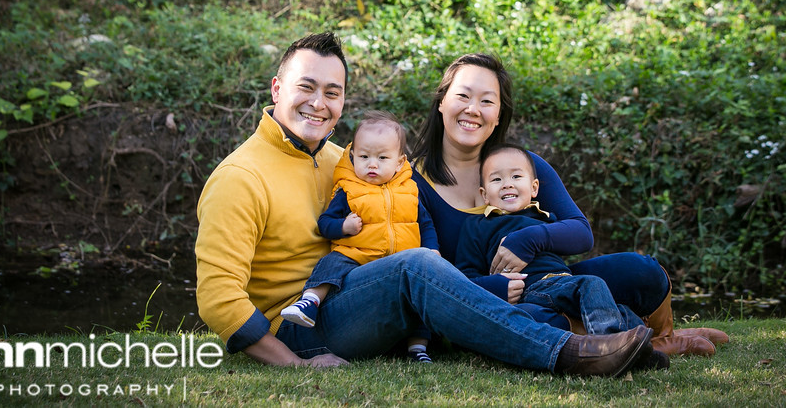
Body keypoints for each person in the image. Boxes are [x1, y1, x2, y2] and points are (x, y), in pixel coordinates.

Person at [195, 32, 657, 375]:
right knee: (418, 264)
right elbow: (218, 299)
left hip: (356, 296)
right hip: (302, 324)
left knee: (623, 272)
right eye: (306, 87)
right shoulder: (241, 177)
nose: (319, 103)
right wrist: (293, 362)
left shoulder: (345, 161)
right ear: (277, 89)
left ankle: (639, 341)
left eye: (332, 93)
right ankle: (565, 353)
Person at [411, 53, 729, 357]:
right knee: (530, 318)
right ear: (442, 102)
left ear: (498, 116)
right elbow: (419, 274)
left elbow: (580, 233)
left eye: (487, 101)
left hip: (553, 281)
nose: (473, 109)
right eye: (463, 96)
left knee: (642, 271)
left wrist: (527, 239)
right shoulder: (410, 182)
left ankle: (660, 336)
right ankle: (622, 342)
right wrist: (494, 287)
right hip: (492, 302)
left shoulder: (521, 166)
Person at [457, 143, 665, 370]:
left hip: (563, 283)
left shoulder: (546, 217)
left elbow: (582, 236)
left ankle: (643, 350)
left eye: (516, 176)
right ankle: (606, 349)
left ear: (534, 187)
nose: (507, 184)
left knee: (621, 311)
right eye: (496, 180)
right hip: (532, 288)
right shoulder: (478, 225)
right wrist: (497, 285)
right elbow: (463, 278)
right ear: (484, 194)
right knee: (592, 284)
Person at [280, 110, 438, 363]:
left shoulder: (410, 191)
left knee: (416, 300)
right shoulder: (348, 190)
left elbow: (426, 224)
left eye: (382, 158)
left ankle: (417, 348)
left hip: (399, 259)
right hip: (357, 257)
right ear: (353, 156)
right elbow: (325, 223)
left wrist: (432, 250)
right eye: (364, 157)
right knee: (332, 263)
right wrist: (344, 226)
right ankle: (309, 301)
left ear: (399, 162)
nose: (372, 164)